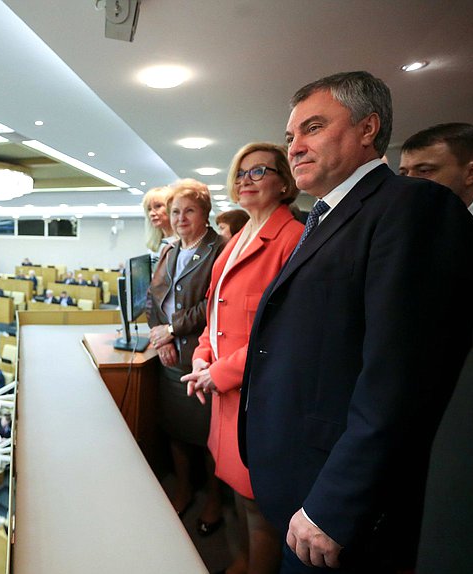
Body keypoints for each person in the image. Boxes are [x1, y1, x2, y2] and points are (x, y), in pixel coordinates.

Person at [239, 71, 473, 573]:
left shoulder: (414, 206)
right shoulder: (324, 218)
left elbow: (404, 377)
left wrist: (337, 502)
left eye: (313, 127)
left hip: (338, 499)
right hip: (301, 473)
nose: (295, 146)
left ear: (368, 128)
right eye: (290, 137)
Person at [183, 142, 303, 571]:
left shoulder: (292, 238)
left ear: (284, 181)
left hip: (256, 400)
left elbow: (284, 334)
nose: (245, 181)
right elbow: (214, 314)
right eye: (240, 174)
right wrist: (201, 358)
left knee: (258, 509)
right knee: (236, 498)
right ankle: (240, 561)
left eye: (258, 172)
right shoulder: (234, 242)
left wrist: (220, 371)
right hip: (223, 398)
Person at [146, 178, 225, 519]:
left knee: (209, 437)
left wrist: (172, 329)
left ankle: (214, 501)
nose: (180, 218)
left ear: (204, 212)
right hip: (171, 359)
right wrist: (159, 336)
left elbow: (213, 305)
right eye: (175, 211)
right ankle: (183, 488)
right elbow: (153, 298)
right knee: (175, 431)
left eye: (188, 210)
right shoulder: (169, 249)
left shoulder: (220, 248)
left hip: (201, 359)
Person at [400, 122, 473, 223]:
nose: (408, 182)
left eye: (424, 171)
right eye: (403, 173)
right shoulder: (399, 221)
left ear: (472, 173)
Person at [143, 186, 176, 267]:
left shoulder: (183, 243)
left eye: (158, 206)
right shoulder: (155, 244)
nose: (152, 213)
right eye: (149, 209)